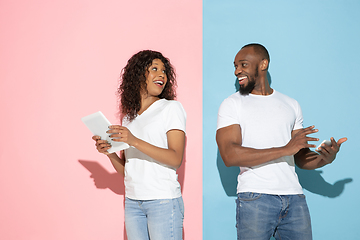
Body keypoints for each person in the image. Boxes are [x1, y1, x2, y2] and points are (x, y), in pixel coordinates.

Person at [216, 43, 347, 240]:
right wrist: (285, 148)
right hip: (255, 198)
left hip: (294, 198)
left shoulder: (291, 104)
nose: (237, 71)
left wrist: (324, 159)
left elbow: (300, 157)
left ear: (263, 64)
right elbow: (229, 154)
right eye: (235, 66)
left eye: (243, 64)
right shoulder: (232, 104)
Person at [92, 50, 186, 240]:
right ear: (138, 75)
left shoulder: (171, 108)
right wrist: (109, 152)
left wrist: (133, 140)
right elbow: (129, 171)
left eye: (164, 71)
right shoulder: (129, 118)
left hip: (163, 201)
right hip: (133, 202)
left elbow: (175, 158)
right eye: (154, 69)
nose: (162, 75)